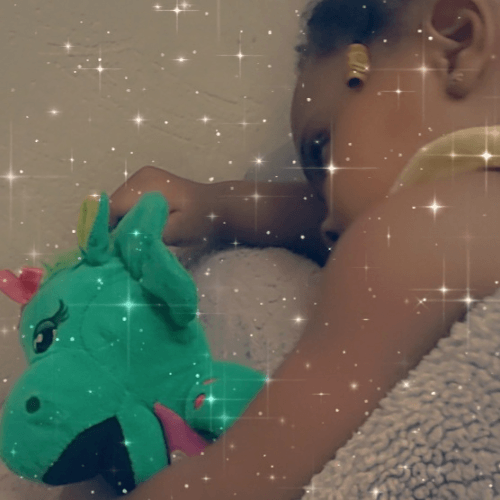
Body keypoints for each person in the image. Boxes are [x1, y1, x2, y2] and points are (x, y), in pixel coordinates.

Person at [102, 0, 500, 498]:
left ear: (456, 39)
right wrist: (216, 205)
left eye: (322, 149)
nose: (328, 224)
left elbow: (243, 478)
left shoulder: (417, 232)